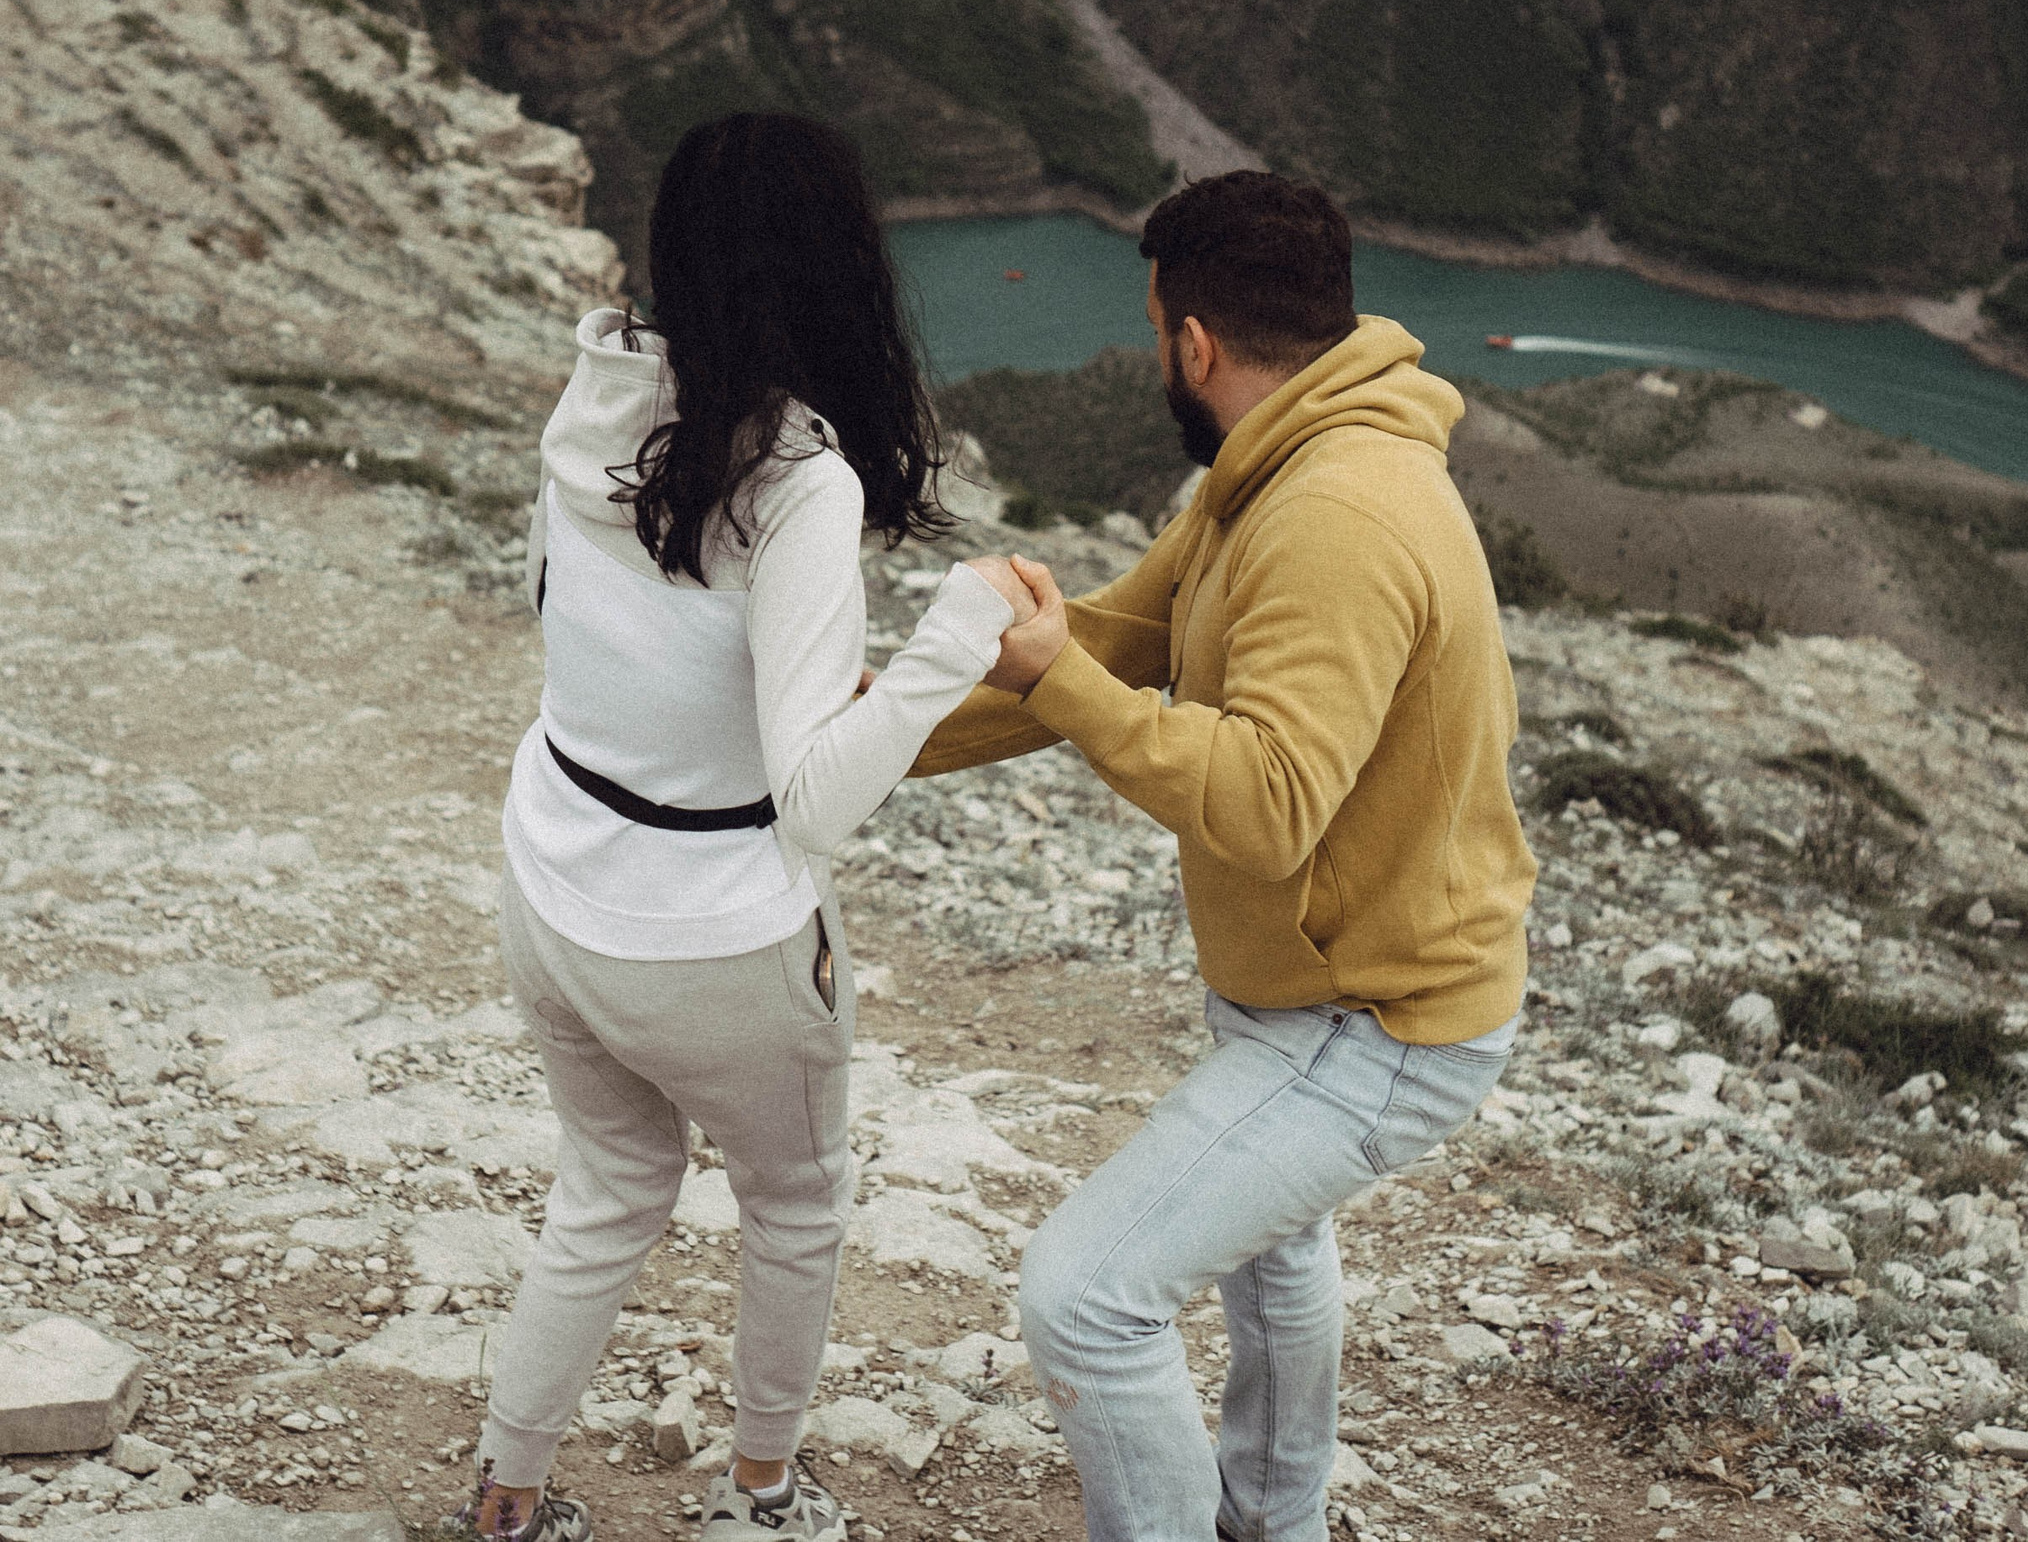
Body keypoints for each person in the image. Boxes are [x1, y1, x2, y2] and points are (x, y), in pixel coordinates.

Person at [915, 170, 1540, 1542]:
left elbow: (1265, 805)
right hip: (1321, 988)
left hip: (1376, 1016)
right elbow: (1115, 646)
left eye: (1153, 332)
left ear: (1188, 338)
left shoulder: (1334, 519)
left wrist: (1053, 683)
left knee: (1085, 1297)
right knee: (1272, 1252)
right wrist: (859, 736)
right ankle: (1278, 1520)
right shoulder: (1273, 471)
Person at [449, 112, 1043, 1542]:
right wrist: (964, 627)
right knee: (795, 1204)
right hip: (713, 937)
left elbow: (592, 628)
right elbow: (819, 798)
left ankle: (504, 1502)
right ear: (833, 266)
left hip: (552, 876)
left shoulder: (592, 396)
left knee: (606, 1192)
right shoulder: (803, 481)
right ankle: (764, 1496)